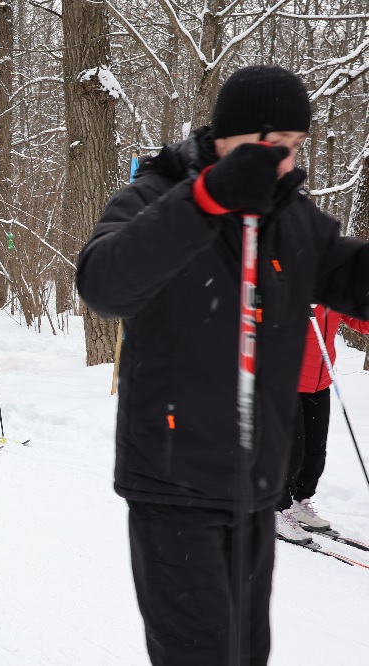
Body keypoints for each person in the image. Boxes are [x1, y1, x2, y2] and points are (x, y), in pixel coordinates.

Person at [76, 65, 369, 666]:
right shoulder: (157, 196)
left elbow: (356, 280)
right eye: (268, 148)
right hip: (173, 485)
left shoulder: (293, 221)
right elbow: (103, 283)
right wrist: (207, 199)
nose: (281, 165)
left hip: (255, 491)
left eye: (292, 149)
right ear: (226, 140)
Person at [274, 306, 369, 543]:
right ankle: (277, 509)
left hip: (320, 382)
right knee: (292, 451)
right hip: (287, 382)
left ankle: (300, 502)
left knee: (316, 451)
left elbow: (361, 323)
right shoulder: (291, 289)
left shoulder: (332, 293)